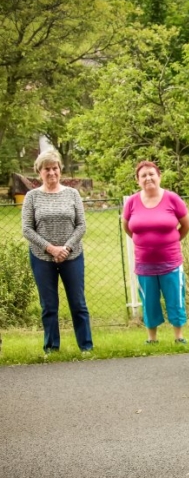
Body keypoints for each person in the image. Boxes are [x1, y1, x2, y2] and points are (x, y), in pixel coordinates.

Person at [21, 149, 93, 355]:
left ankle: (86, 346)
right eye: (47, 169)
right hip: (41, 257)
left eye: (55, 168)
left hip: (72, 255)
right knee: (49, 305)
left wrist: (67, 248)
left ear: (60, 170)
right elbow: (26, 229)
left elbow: (81, 226)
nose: (51, 173)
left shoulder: (72, 194)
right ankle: (51, 347)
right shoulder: (32, 197)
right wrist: (50, 248)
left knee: (78, 303)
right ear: (39, 172)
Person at [122, 161, 189, 345]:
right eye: (143, 175)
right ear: (138, 180)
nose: (148, 178)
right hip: (144, 264)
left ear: (159, 176)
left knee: (175, 299)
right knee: (149, 302)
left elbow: (186, 225)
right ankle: (152, 338)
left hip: (171, 263)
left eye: (151, 174)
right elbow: (127, 227)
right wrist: (143, 242)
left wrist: (171, 241)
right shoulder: (132, 202)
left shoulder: (172, 198)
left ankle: (179, 337)